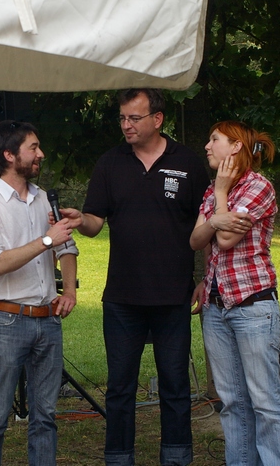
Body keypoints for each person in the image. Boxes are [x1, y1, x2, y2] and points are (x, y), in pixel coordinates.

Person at [60, 88, 209, 466]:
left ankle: (176, 457)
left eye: (134, 118)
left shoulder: (188, 163)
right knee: (120, 388)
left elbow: (204, 225)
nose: (126, 125)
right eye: (122, 118)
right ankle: (118, 456)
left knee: (175, 386)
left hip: (172, 295)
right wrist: (81, 221)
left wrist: (203, 277)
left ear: (157, 119)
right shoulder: (110, 163)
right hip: (123, 297)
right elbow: (95, 223)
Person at [0, 120, 79, 466]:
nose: (40, 154)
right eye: (33, 147)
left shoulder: (43, 197)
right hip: (7, 321)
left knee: (45, 417)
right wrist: (47, 239)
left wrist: (71, 291)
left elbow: (68, 248)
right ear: (8, 155)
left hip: (48, 321)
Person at [189, 120, 280, 465]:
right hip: (216, 309)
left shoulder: (258, 187)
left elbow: (223, 238)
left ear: (235, 147)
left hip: (253, 307)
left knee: (265, 400)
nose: (207, 146)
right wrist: (216, 212)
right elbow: (195, 240)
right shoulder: (209, 190)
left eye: (214, 139)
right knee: (232, 400)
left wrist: (220, 196)